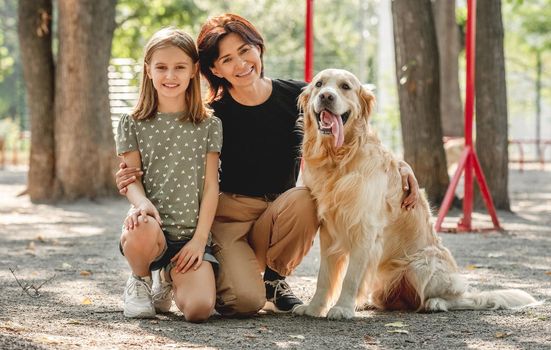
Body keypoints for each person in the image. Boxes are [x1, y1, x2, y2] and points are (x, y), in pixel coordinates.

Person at [116, 13, 419, 317]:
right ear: (213, 69)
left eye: (245, 50)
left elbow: (356, 130)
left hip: (279, 212)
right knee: (245, 302)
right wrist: (132, 179)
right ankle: (212, 277)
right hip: (229, 218)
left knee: (305, 200)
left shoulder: (299, 97)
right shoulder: (213, 115)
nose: (240, 63)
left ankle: (274, 279)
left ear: (258, 48)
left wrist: (399, 167)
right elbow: (177, 154)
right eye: (227, 59)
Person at [115, 27, 222, 323]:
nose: (170, 76)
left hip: (190, 236)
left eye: (179, 68)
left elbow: (211, 186)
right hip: (151, 229)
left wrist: (200, 240)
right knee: (140, 226)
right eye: (161, 67)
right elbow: (130, 178)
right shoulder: (132, 122)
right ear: (148, 70)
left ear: (194, 71)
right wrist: (141, 204)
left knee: (199, 310)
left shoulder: (209, 125)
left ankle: (171, 279)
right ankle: (140, 279)